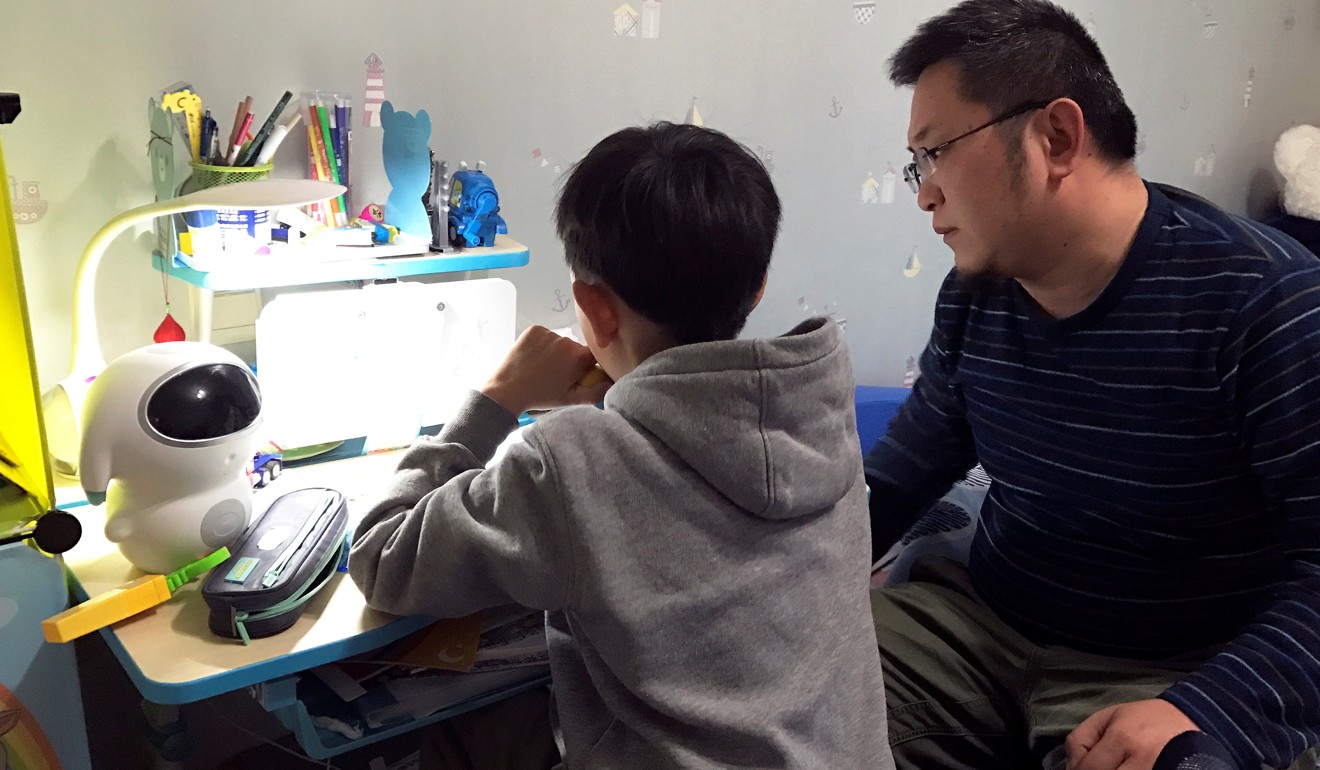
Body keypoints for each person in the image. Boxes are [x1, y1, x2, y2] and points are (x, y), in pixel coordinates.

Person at [350, 121, 892, 770]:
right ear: (757, 287)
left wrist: (497, 400)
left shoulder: (568, 460)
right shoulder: (820, 405)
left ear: (593, 308)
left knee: (468, 721)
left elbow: (382, 561)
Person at [864, 2, 1320, 769]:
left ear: (1057, 136)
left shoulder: (1269, 304)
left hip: (1174, 670)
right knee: (770, 699)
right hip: (981, 630)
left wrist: (1204, 708)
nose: (924, 194)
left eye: (934, 153)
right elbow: (898, 476)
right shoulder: (977, 296)